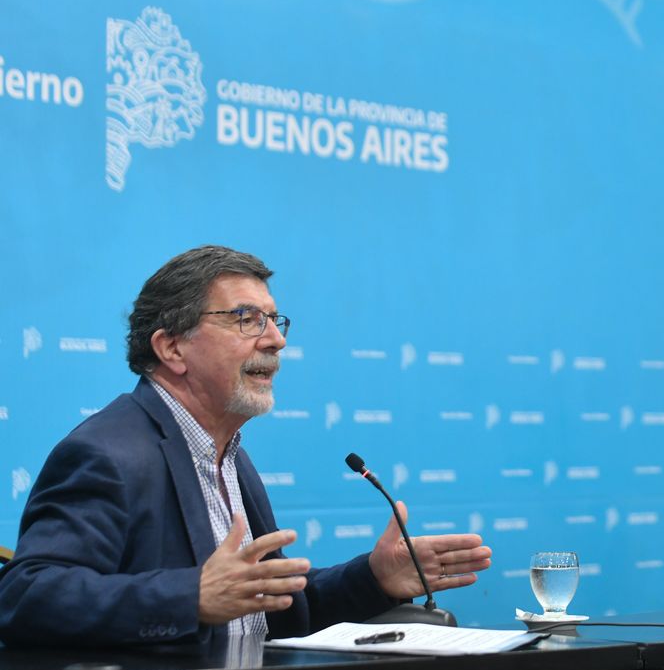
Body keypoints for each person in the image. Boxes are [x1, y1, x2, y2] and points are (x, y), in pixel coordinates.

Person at [0, 246, 492, 646]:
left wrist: (373, 577)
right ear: (172, 347)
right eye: (246, 319)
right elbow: (27, 595)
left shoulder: (228, 455)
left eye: (276, 321)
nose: (276, 340)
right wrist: (190, 596)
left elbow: (272, 611)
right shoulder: (109, 454)